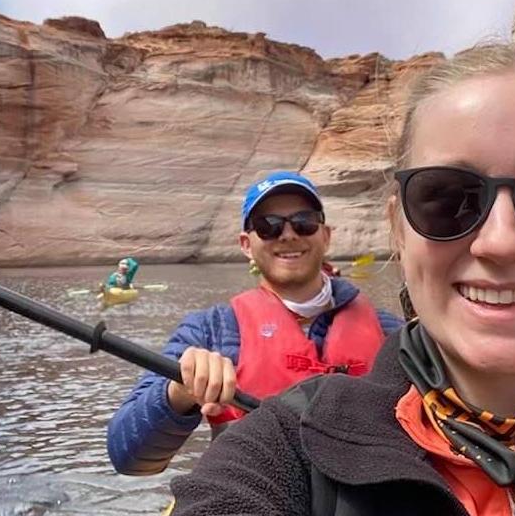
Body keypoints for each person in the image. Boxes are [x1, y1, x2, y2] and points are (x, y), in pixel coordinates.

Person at [101, 44, 515, 516]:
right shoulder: (245, 384)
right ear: (400, 229)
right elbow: (135, 464)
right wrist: (176, 398)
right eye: (447, 199)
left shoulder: (382, 327)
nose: (501, 242)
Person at [107, 170, 403, 475]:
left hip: (365, 498)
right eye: (268, 226)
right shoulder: (211, 330)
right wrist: (179, 393)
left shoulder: (389, 331)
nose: (289, 235)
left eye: (304, 222)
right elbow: (127, 457)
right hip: (258, 497)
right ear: (246, 244)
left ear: (325, 235)